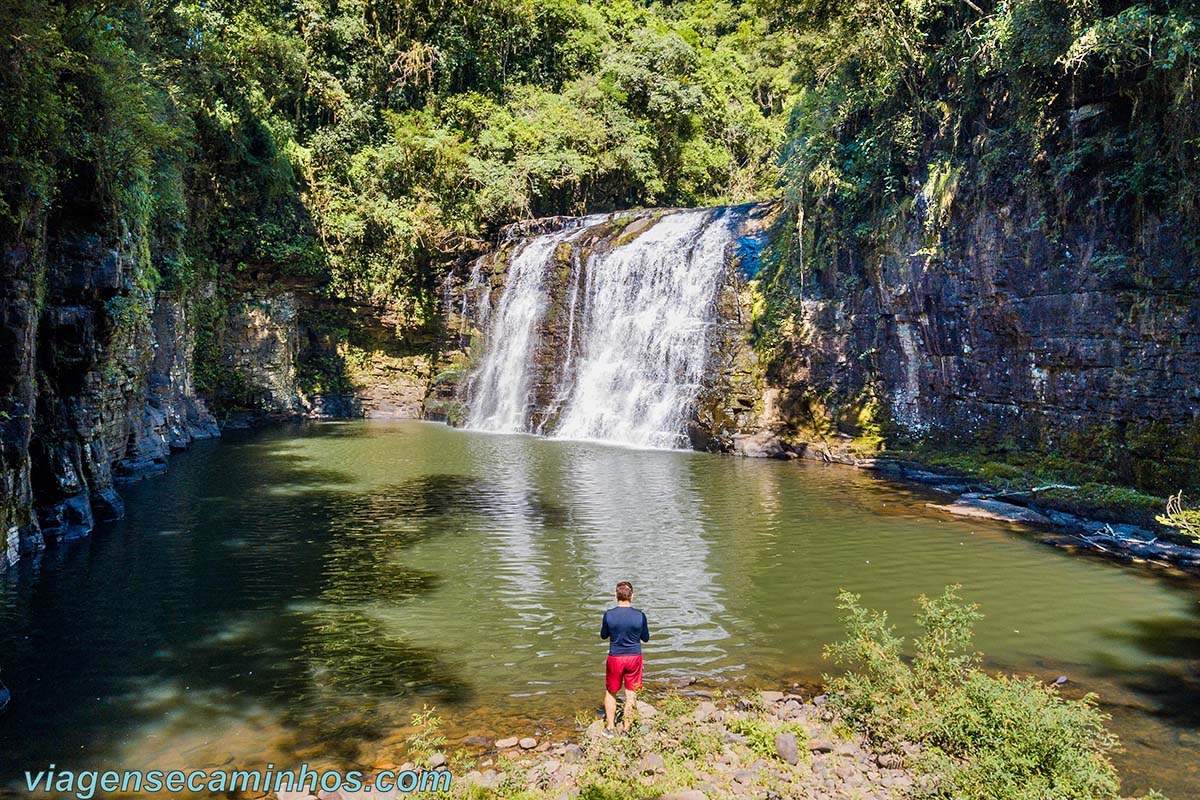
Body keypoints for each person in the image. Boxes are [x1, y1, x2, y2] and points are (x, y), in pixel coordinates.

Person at [599, 581, 650, 734]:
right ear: (632, 596)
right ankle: (627, 729)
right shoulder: (640, 615)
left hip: (615, 657)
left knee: (611, 691)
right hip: (634, 657)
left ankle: (610, 727)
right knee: (631, 693)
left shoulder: (609, 615)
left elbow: (603, 636)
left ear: (616, 595)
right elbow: (645, 638)